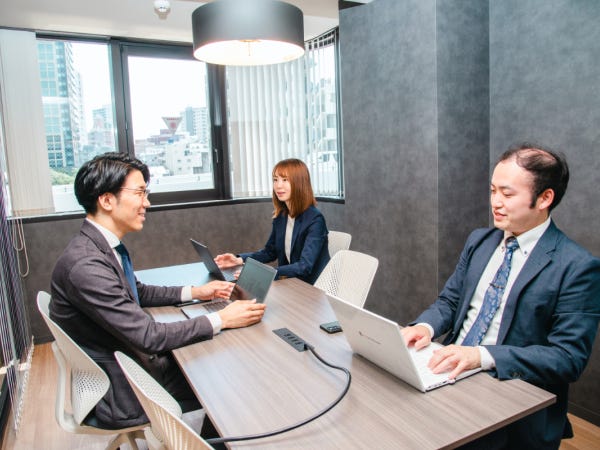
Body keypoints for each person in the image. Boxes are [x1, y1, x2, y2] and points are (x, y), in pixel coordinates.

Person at [401, 143, 600, 449]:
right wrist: (424, 327)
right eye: (493, 191)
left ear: (545, 198)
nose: (495, 202)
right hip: (450, 373)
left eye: (507, 194)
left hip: (507, 395)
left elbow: (567, 358)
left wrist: (482, 356)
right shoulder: (480, 241)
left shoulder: (576, 267)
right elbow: (450, 301)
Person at [50, 152, 266, 429]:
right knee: (227, 377)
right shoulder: (85, 265)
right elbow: (148, 336)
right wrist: (222, 318)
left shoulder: (98, 247)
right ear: (107, 200)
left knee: (217, 360)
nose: (147, 203)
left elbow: (137, 292)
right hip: (127, 389)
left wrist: (196, 292)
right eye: (140, 193)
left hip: (131, 364)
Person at [215, 158, 330, 284]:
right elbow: (270, 252)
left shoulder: (315, 219)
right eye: (275, 180)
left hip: (313, 286)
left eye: (285, 180)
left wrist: (263, 273)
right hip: (291, 283)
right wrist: (239, 260)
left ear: (299, 183)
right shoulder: (282, 216)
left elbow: (304, 267)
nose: (278, 185)